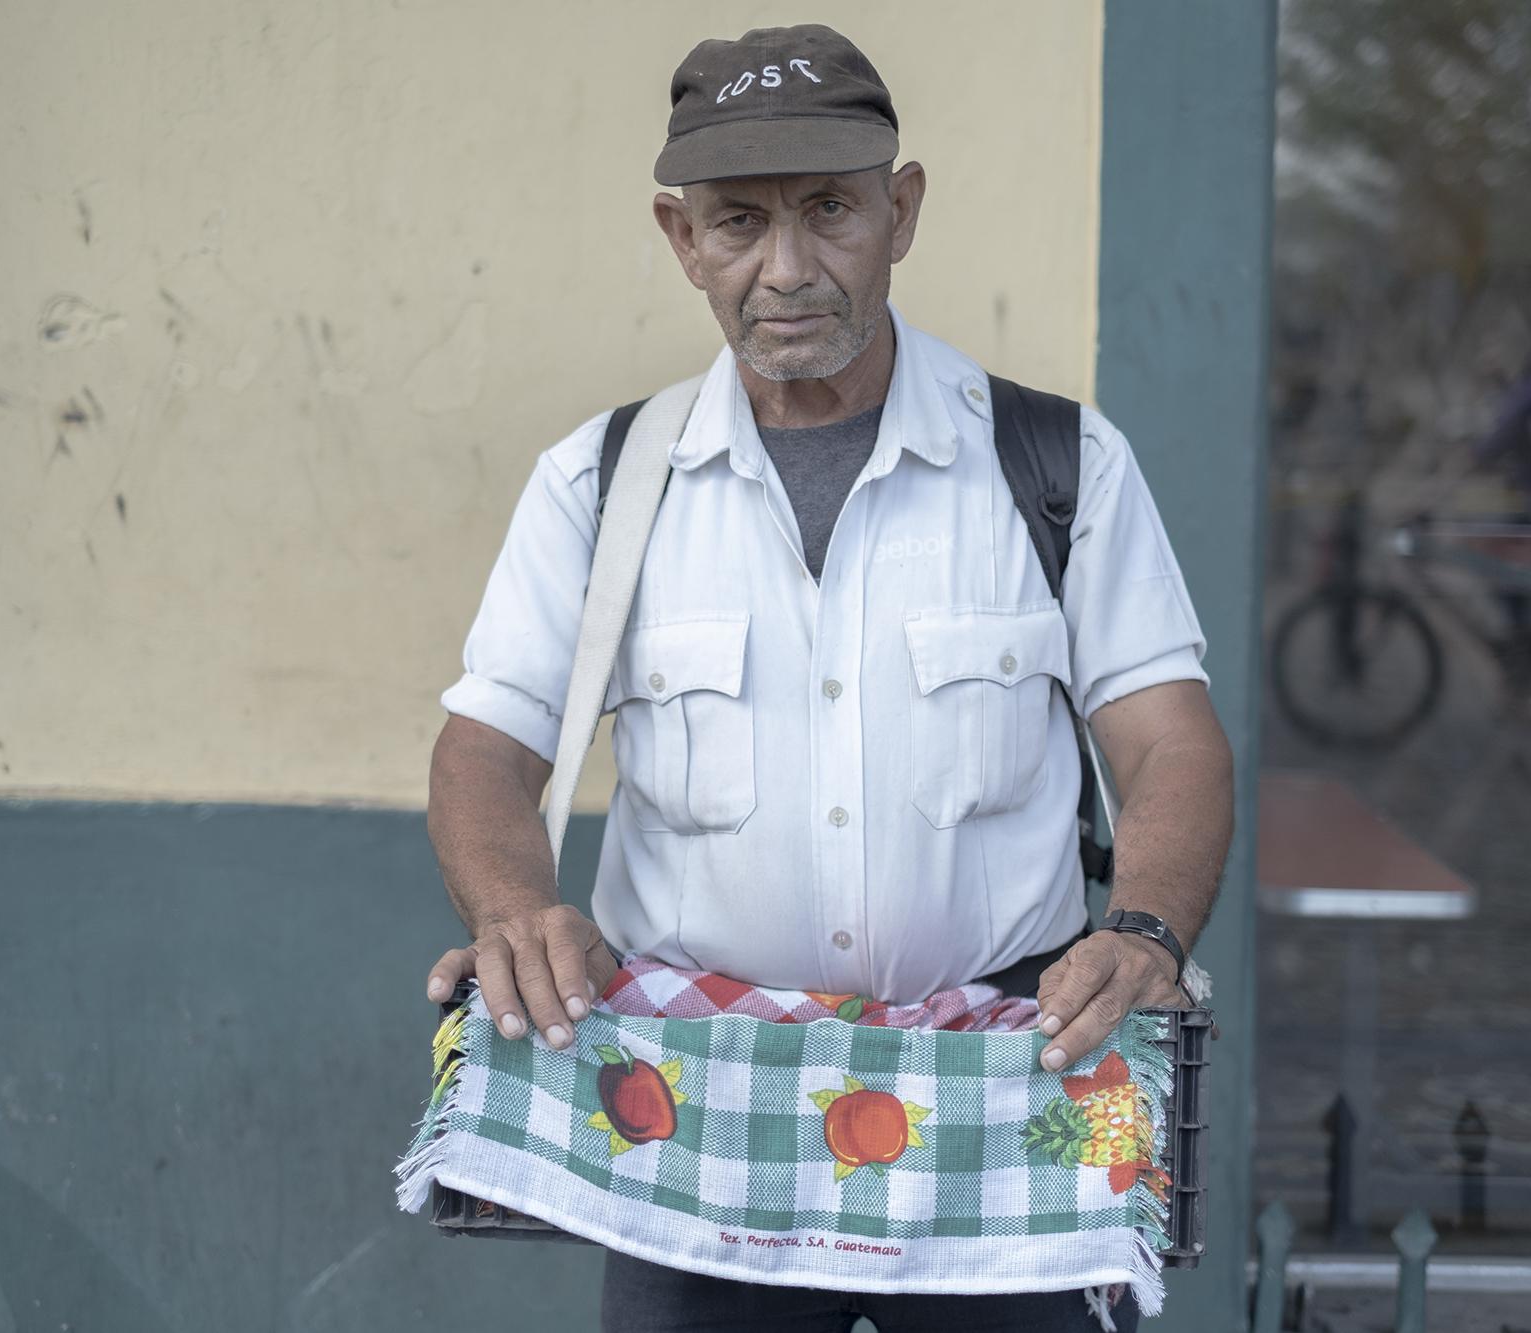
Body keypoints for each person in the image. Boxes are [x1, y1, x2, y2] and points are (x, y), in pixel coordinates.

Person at [420, 24, 1233, 1332]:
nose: (787, 269)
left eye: (831, 212)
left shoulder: (1056, 467)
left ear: (900, 211)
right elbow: (484, 748)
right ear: (682, 238)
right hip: (693, 1123)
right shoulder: (601, 486)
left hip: (1004, 1105)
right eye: (739, 223)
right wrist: (516, 906)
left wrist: (1143, 932)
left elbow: (1169, 744)